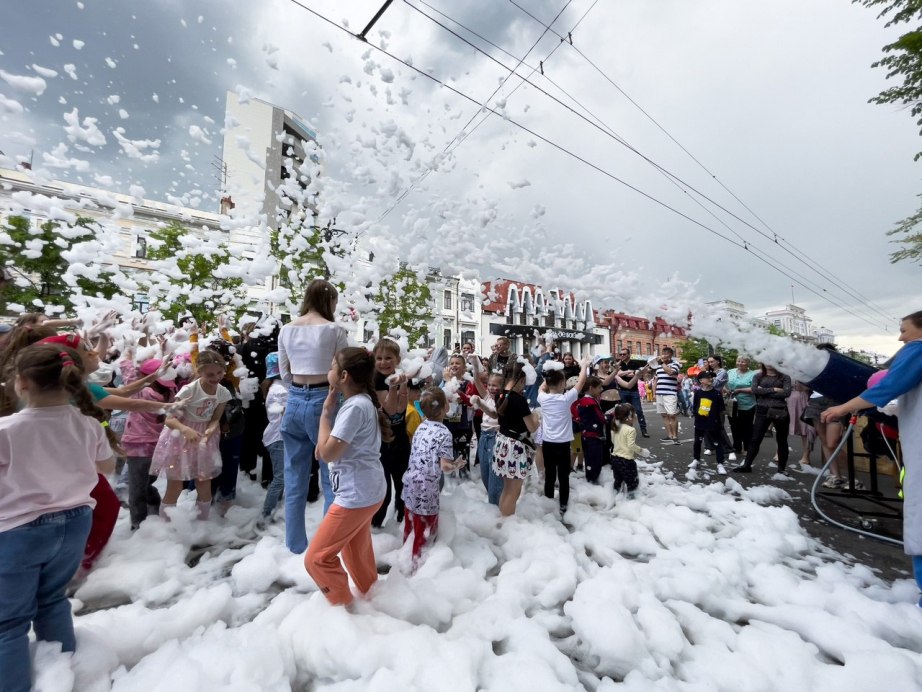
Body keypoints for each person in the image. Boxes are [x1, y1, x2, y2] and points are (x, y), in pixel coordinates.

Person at [0, 344, 114, 692]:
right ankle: (64, 676)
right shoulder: (89, 425)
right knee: (52, 600)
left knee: (8, 623)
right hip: (75, 522)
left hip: (18, 530)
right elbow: (106, 469)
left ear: (20, 383)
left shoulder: (6, 430)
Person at [821, 311, 922, 604]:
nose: (900, 337)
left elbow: (886, 387)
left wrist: (842, 408)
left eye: (904, 330)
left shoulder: (917, 350)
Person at [306, 347, 390, 606]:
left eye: (332, 366)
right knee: (356, 552)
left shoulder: (354, 407)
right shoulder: (360, 402)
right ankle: (372, 599)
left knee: (317, 558)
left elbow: (325, 453)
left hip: (357, 495)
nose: (328, 371)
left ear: (343, 376)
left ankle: (343, 608)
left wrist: (324, 415)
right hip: (369, 490)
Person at [278, 279, 350, 553]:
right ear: (330, 301)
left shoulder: (287, 329)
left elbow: (284, 373)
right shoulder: (334, 330)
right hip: (325, 400)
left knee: (294, 477)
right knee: (331, 475)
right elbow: (343, 373)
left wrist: (298, 391)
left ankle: (294, 545)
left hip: (295, 399)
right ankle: (328, 546)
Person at [150, 350, 231, 520]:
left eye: (219, 372)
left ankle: (202, 525)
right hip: (180, 438)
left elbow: (216, 417)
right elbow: (169, 419)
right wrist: (186, 429)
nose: (216, 377)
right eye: (210, 374)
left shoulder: (222, 392)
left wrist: (211, 428)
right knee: (175, 485)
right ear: (199, 371)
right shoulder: (189, 390)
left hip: (204, 438)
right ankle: (164, 528)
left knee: (204, 482)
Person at [400, 388, 464, 569]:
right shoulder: (444, 433)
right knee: (425, 531)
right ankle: (417, 568)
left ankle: (404, 557)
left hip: (410, 482)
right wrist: (456, 465)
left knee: (410, 524)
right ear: (446, 406)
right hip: (426, 488)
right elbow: (444, 466)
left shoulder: (421, 426)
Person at [119, 358, 177, 529]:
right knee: (146, 483)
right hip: (158, 448)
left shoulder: (142, 394)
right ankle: (153, 506)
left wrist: (127, 357)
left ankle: (138, 526)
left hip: (138, 449)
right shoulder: (170, 393)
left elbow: (129, 382)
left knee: (135, 491)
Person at [538, 355, 589, 514]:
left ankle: (548, 502)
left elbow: (541, 388)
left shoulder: (542, 398)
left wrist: (547, 376)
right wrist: (584, 366)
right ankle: (563, 506)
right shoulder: (566, 399)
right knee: (563, 477)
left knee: (550, 475)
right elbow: (581, 383)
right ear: (562, 384)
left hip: (547, 443)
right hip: (563, 444)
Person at [493, 359, 541, 517]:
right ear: (521, 379)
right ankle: (506, 525)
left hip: (503, 443)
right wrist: (536, 416)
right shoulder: (518, 399)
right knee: (513, 493)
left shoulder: (500, 395)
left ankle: (501, 520)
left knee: (507, 490)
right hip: (516, 447)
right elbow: (532, 427)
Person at [371, 338, 411, 526]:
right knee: (383, 489)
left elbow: (403, 407)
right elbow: (390, 408)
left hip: (400, 438)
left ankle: (403, 522)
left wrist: (402, 384)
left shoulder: (400, 376)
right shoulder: (375, 379)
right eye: (379, 358)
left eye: (388, 358)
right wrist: (395, 386)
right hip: (381, 442)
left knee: (404, 483)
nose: (383, 362)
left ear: (397, 359)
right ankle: (376, 525)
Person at [732, 364, 792, 474]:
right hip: (762, 410)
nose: (769, 363)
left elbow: (787, 393)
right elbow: (755, 390)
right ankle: (746, 465)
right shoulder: (758, 376)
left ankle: (782, 468)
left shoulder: (785, 377)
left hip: (780, 410)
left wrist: (764, 391)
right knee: (755, 439)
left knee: (782, 440)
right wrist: (775, 389)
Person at [470, 370, 505, 505]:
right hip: (484, 437)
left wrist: (480, 404)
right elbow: (477, 381)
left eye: (495, 385)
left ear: (502, 386)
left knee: (495, 476)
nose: (491, 388)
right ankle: (494, 501)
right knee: (485, 473)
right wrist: (474, 364)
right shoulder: (487, 397)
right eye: (489, 384)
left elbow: (493, 414)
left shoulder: (502, 400)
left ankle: (496, 507)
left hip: (496, 438)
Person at [260, 352, 287, 521]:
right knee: (280, 478)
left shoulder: (276, 386)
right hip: (278, 438)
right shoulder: (280, 390)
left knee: (281, 477)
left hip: (276, 436)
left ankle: (274, 509)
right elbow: (287, 415)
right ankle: (266, 514)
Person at [688, 371, 727, 475]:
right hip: (700, 422)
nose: (711, 379)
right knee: (697, 442)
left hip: (714, 422)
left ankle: (720, 463)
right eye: (708, 377)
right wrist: (696, 415)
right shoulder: (698, 393)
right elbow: (695, 407)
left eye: (712, 377)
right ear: (701, 381)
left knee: (717, 443)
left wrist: (719, 422)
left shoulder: (717, 393)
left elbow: (721, 409)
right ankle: (696, 460)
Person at [573, 376, 608, 484]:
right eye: (599, 387)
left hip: (587, 435)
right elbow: (600, 418)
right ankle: (592, 481)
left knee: (589, 459)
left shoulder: (583, 401)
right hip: (593, 435)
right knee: (595, 460)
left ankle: (591, 479)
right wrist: (609, 417)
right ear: (591, 388)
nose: (601, 390)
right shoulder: (589, 402)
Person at [610, 402, 650, 496]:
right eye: (634, 414)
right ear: (629, 417)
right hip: (626, 461)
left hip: (615, 459)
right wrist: (642, 451)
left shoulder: (615, 427)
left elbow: (613, 441)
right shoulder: (630, 430)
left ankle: (614, 498)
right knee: (632, 483)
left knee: (618, 481)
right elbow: (631, 445)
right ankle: (631, 502)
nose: (636, 416)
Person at [611, 348, 649, 437]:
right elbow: (618, 374)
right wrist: (630, 371)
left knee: (638, 411)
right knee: (624, 412)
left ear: (628, 355)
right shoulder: (618, 364)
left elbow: (637, 374)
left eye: (624, 354)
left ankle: (644, 430)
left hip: (634, 391)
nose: (622, 356)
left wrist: (625, 373)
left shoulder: (635, 363)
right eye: (620, 354)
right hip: (622, 391)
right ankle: (625, 431)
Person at [726, 356, 757, 460]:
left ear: (748, 363)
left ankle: (747, 448)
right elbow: (724, 384)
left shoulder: (753, 374)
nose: (740, 363)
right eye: (738, 361)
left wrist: (739, 390)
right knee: (734, 426)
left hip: (747, 404)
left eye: (743, 362)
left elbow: (754, 389)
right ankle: (737, 446)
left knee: (747, 427)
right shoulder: (730, 372)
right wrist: (726, 390)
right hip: (732, 403)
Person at [654, 347, 681, 444]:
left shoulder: (675, 364)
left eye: (666, 353)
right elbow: (656, 380)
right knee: (664, 415)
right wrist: (654, 393)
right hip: (659, 393)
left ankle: (675, 437)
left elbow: (670, 372)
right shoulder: (658, 366)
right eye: (663, 353)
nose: (664, 355)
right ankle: (669, 435)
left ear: (671, 355)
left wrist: (662, 363)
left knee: (672, 415)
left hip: (670, 393)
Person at [788, 381, 814, 468]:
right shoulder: (786, 369)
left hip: (807, 399)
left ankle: (806, 456)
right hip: (790, 400)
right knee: (783, 428)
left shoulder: (809, 370)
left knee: (807, 429)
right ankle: (779, 452)